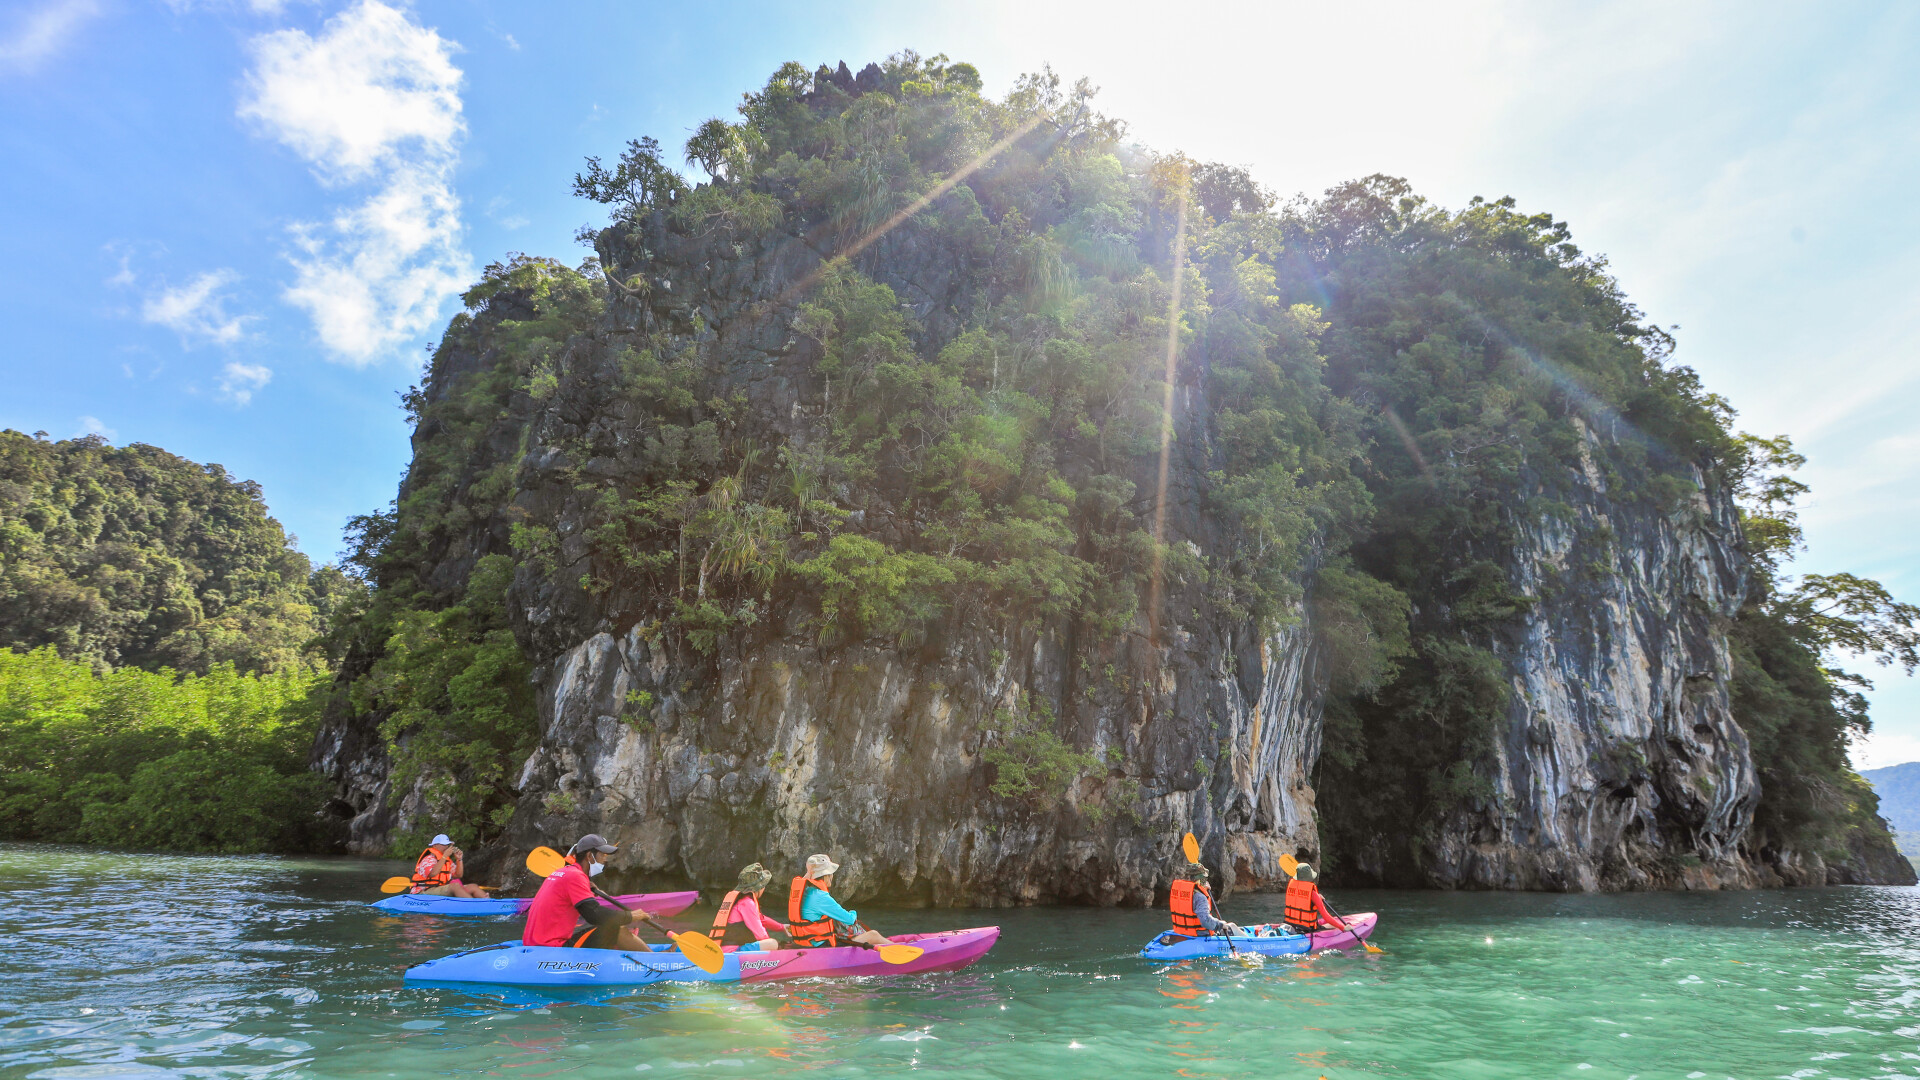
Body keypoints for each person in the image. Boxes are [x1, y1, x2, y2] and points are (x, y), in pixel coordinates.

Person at [522, 833, 657, 950]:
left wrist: (587, 886)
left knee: (610, 928)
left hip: (535, 943)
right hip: (552, 947)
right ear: (589, 856)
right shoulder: (576, 876)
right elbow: (593, 914)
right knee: (617, 930)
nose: (605, 859)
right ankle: (657, 962)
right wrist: (631, 916)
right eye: (602, 854)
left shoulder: (563, 872)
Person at [787, 854, 894, 948]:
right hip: (820, 944)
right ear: (827, 875)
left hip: (804, 942)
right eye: (831, 873)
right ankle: (903, 951)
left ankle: (893, 946)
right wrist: (853, 913)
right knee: (873, 935)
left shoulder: (806, 892)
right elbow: (850, 920)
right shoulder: (821, 897)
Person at [708, 862, 789, 951]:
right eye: (764, 885)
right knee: (772, 943)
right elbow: (761, 935)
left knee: (771, 943)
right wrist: (776, 949)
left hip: (723, 950)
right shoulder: (747, 903)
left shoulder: (740, 901)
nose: (764, 888)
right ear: (758, 887)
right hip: (732, 952)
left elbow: (760, 919)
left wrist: (781, 927)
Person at [1168, 861, 1243, 938]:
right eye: (1204, 879)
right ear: (1200, 880)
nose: (1205, 881)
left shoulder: (1181, 893)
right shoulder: (1200, 897)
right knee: (1232, 926)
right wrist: (1220, 925)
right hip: (1200, 934)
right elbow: (1205, 921)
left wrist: (1203, 888)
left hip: (1182, 931)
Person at [408, 834, 488, 898]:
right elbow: (432, 873)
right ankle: (472, 905)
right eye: (444, 844)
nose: (446, 847)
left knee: (473, 886)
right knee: (455, 886)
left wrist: (459, 860)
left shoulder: (447, 860)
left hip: (441, 888)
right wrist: (444, 856)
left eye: (448, 844)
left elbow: (458, 875)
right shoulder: (428, 858)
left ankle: (487, 903)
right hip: (424, 890)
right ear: (435, 845)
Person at [1283, 863, 1349, 934]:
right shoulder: (1313, 894)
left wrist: (1317, 896)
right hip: (1306, 929)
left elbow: (1301, 898)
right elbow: (1327, 917)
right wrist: (1343, 928)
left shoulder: (1292, 887)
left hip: (1290, 924)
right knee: (1333, 926)